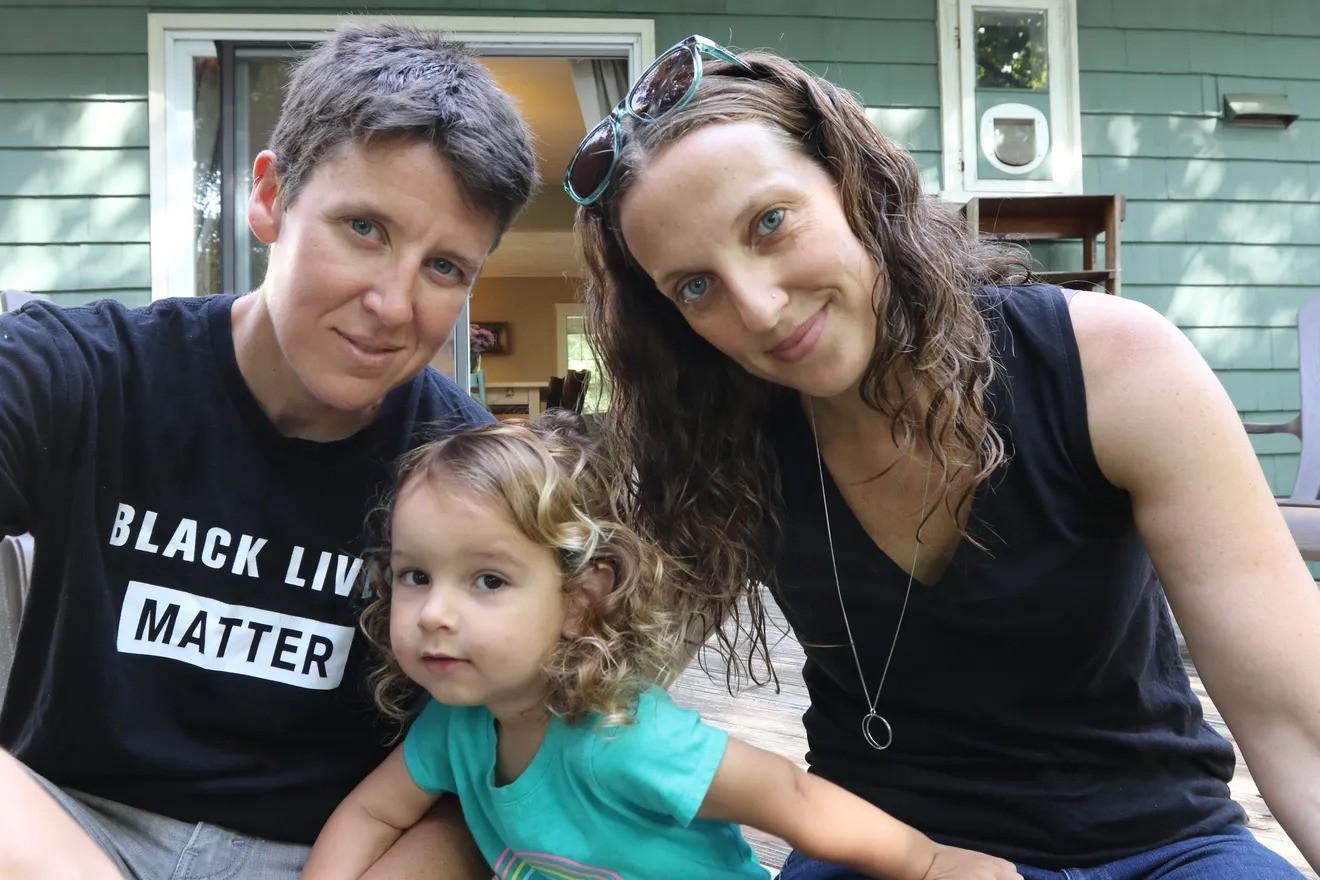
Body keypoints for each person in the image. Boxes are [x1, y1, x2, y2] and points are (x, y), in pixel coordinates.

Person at [567, 34, 1320, 880]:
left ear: (856, 184)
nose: (760, 308)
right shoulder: (719, 441)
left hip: (1157, 848)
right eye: (695, 286)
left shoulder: (1117, 368)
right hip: (882, 849)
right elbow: (599, 678)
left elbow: (1300, 728)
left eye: (770, 223)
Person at [0, 22, 537, 880]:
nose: (393, 304)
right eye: (364, 228)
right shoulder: (83, 373)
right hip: (61, 829)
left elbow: (521, 760)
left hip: (327, 854)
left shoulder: (469, 467)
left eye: (445, 268)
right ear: (271, 197)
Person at [300, 414, 1020, 880]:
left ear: (581, 598)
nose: (434, 613)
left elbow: (791, 797)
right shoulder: (456, 726)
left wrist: (928, 865)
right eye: (414, 576)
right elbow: (373, 814)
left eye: (487, 579)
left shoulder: (623, 739)